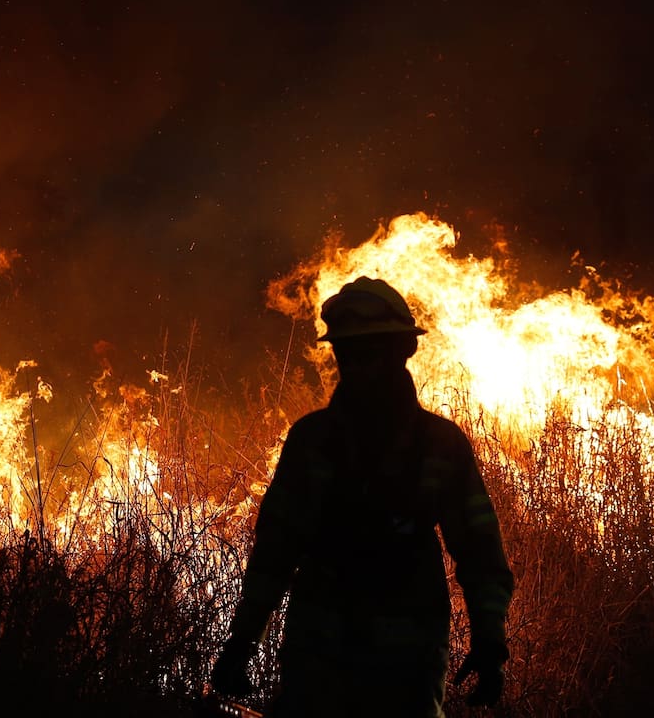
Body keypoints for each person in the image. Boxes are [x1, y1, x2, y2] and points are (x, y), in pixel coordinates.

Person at [209, 277, 514, 716]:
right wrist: (242, 641)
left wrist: (490, 641)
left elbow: (480, 551)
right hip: (320, 661)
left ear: (404, 350)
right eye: (347, 353)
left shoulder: (440, 445)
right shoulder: (311, 442)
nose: (357, 366)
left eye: (371, 352)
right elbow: (275, 552)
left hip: (406, 666)